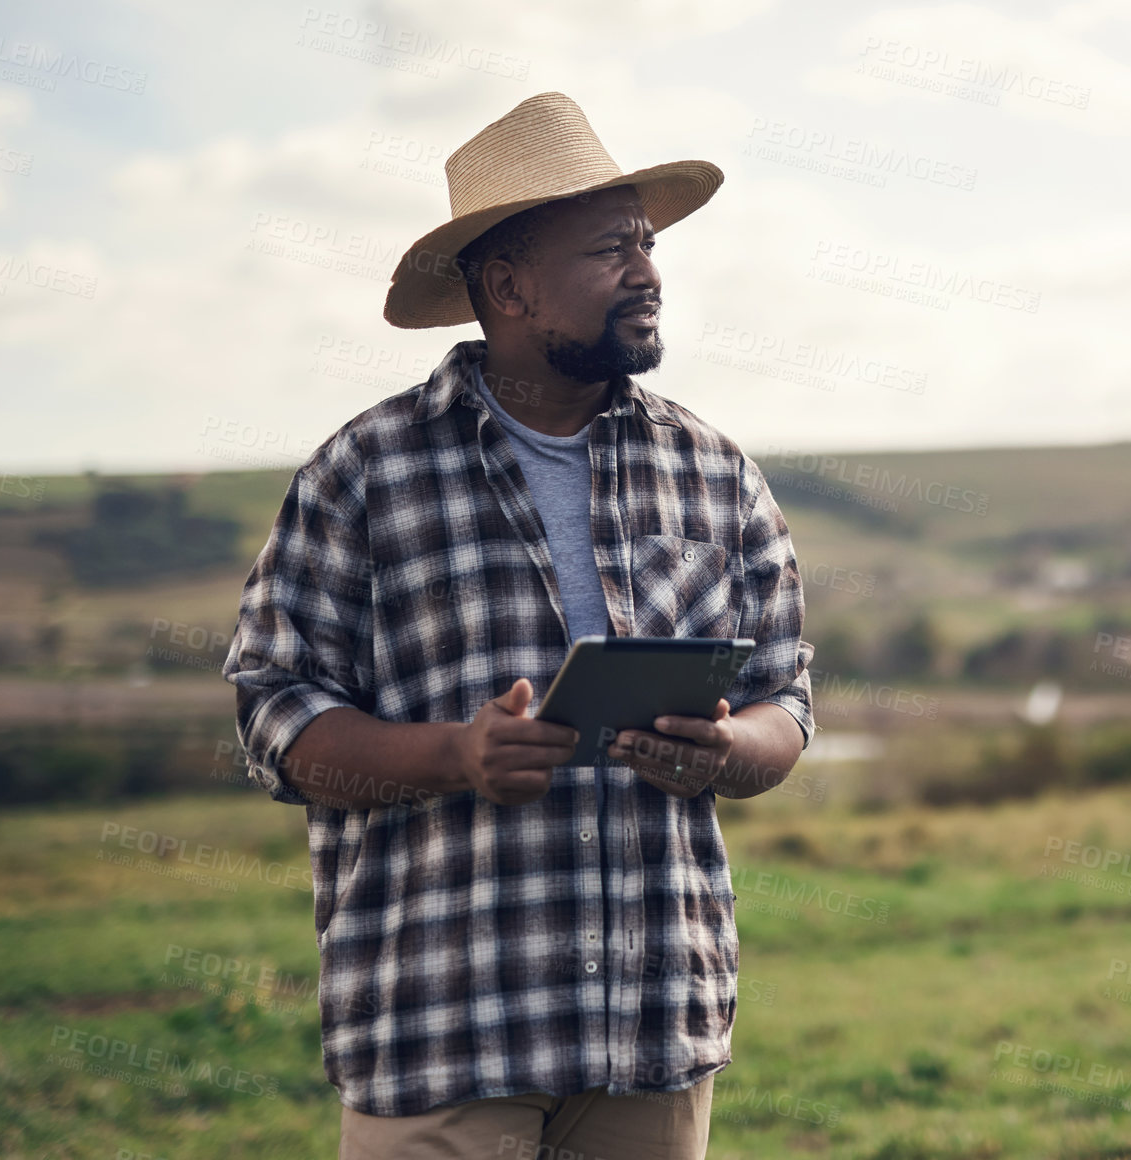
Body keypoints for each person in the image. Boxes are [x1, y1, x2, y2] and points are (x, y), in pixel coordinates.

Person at [221, 91, 815, 1160]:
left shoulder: (714, 473)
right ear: (506, 285)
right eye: (608, 250)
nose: (648, 273)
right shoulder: (368, 472)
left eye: (646, 243)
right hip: (443, 1032)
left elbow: (786, 702)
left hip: (651, 1029)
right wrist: (456, 753)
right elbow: (275, 719)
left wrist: (725, 749)